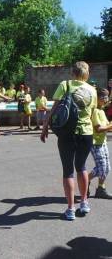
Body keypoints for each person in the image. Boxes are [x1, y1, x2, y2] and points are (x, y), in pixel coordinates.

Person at [41, 61, 97, 221]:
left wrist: (45, 127)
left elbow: (54, 109)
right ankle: (84, 202)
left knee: (68, 171)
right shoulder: (92, 90)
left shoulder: (65, 84)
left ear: (72, 72)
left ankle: (71, 209)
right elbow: (92, 114)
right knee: (82, 167)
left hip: (67, 133)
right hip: (86, 133)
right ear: (87, 73)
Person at [88, 88, 112, 199]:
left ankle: (100, 189)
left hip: (103, 142)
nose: (106, 99)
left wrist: (110, 126)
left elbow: (107, 127)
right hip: (95, 143)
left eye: (107, 97)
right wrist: (110, 126)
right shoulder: (95, 111)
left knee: (107, 168)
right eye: (103, 97)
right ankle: (85, 180)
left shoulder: (102, 111)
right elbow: (98, 129)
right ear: (97, 98)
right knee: (102, 167)